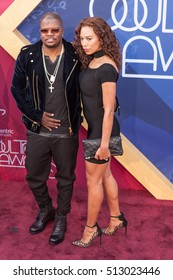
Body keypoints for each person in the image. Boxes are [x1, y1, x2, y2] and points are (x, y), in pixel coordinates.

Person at [11, 12, 82, 245]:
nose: (49, 35)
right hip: (37, 130)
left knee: (65, 178)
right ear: (40, 31)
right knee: (33, 175)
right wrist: (37, 116)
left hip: (66, 131)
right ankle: (46, 209)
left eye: (54, 30)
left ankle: (61, 216)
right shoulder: (28, 56)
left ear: (62, 31)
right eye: (44, 30)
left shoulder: (76, 55)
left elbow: (92, 85)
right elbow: (16, 89)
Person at [72, 17, 127, 248]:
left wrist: (104, 144)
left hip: (102, 132)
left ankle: (91, 229)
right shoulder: (93, 61)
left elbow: (108, 110)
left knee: (93, 181)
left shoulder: (106, 67)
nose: (84, 43)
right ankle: (116, 219)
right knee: (104, 176)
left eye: (89, 38)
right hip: (97, 130)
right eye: (82, 38)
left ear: (101, 38)